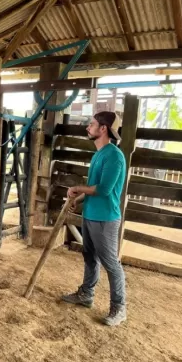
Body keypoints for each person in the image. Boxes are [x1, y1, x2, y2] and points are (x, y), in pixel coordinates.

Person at [61, 111, 128, 327]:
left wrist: (78, 188)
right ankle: (86, 294)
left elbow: (105, 189)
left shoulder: (114, 156)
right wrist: (78, 200)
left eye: (92, 124)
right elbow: (93, 187)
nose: (88, 127)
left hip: (105, 218)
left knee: (111, 263)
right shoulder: (98, 154)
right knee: (90, 256)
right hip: (91, 214)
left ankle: (119, 308)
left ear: (103, 129)